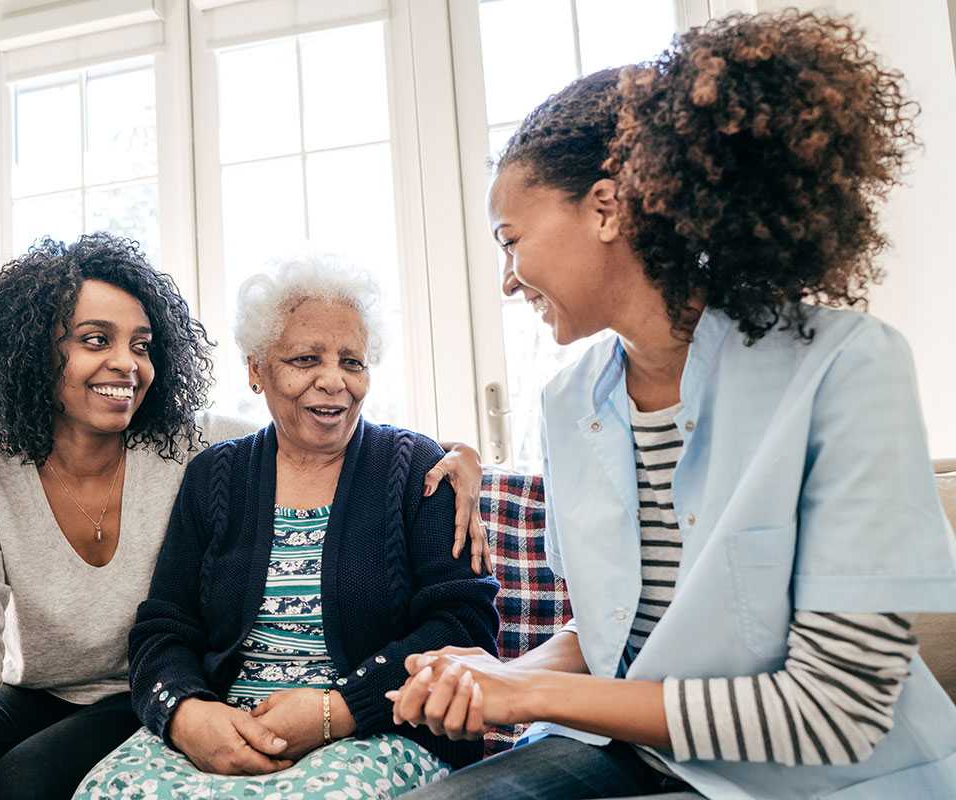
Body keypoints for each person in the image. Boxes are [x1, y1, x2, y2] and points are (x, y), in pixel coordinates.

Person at [390, 10, 956, 800]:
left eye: (511, 240)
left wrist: (531, 692)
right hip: (643, 752)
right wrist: (494, 676)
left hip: (819, 775)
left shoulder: (846, 366)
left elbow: (836, 712)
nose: (508, 279)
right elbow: (610, 631)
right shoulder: (566, 401)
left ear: (605, 208)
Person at [0, 234, 488, 800]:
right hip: (38, 688)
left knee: (19, 787)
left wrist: (458, 456)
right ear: (31, 351)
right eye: (95, 340)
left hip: (132, 696)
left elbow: (322, 437)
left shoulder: (191, 447)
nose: (126, 364)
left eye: (140, 345)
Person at [74, 254, 500, 799]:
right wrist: (186, 714)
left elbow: (464, 626)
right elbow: (164, 627)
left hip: (377, 728)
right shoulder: (215, 475)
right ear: (256, 370)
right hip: (229, 724)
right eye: (305, 359)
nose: (334, 381)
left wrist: (338, 709)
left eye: (352, 362)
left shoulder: (419, 469)